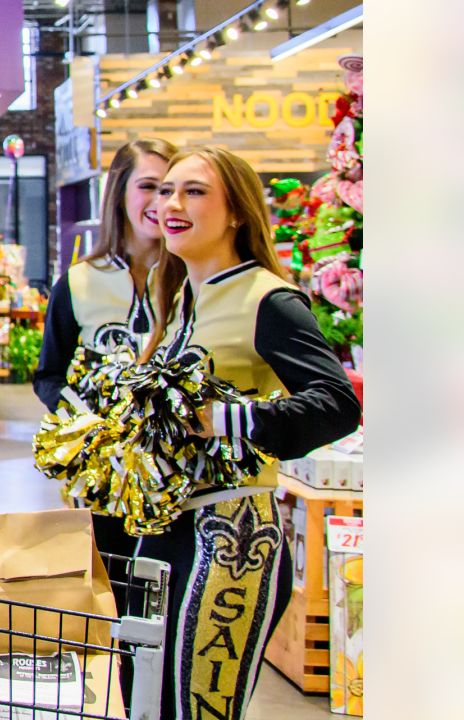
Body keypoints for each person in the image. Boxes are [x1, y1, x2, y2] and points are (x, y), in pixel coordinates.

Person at [139, 146, 360, 720]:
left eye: (194, 191)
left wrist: (227, 419)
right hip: (168, 532)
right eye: (165, 190)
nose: (172, 204)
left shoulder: (268, 300)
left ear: (236, 212)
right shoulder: (181, 296)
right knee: (152, 705)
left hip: (230, 541)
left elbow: (337, 404)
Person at [32, 138, 176, 561]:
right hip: (105, 483)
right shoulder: (79, 282)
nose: (161, 201)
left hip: (185, 481)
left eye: (170, 189)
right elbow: (48, 376)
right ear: (119, 193)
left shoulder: (196, 281)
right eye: (148, 186)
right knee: (113, 596)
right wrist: (87, 428)